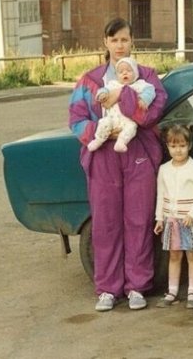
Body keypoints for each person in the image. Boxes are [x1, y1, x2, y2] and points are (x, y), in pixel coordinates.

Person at [69, 17, 167, 312]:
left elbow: (152, 113)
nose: (120, 45)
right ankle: (108, 288)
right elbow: (76, 119)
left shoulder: (148, 77)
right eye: (114, 40)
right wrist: (100, 131)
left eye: (125, 39)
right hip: (103, 156)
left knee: (139, 219)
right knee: (106, 222)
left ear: (132, 41)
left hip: (138, 154)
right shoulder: (89, 80)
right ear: (106, 43)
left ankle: (137, 285)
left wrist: (121, 95)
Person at [153, 124, 193, 309]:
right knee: (174, 255)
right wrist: (159, 218)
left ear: (189, 146)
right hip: (171, 219)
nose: (178, 150)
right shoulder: (164, 169)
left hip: (189, 221)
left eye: (182, 145)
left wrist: (192, 214)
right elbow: (160, 194)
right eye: (173, 146)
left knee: (192, 255)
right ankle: (172, 291)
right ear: (168, 147)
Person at [87, 56, 156, 153]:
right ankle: (98, 140)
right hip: (112, 118)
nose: (125, 73)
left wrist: (144, 99)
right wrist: (102, 94)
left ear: (135, 73)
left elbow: (150, 90)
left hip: (128, 120)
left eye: (128, 70)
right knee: (103, 123)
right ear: (117, 75)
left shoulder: (139, 84)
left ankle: (121, 142)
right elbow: (103, 90)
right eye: (121, 71)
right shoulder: (113, 84)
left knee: (131, 128)